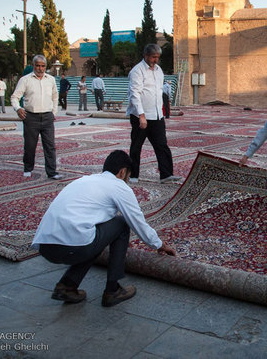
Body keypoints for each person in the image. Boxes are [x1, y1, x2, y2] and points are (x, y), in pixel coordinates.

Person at [32, 150, 177, 307]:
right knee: (121, 224)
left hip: (45, 246)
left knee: (94, 234)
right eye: (128, 176)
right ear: (122, 172)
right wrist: (160, 245)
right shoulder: (118, 186)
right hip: (73, 246)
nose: (127, 181)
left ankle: (68, 285)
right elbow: (138, 223)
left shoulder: (84, 180)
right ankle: (112, 289)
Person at [127, 44, 181, 184]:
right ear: (146, 56)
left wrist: (161, 113)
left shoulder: (159, 70)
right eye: (153, 57)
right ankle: (133, 175)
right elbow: (135, 94)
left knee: (162, 145)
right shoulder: (137, 71)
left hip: (157, 116)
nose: (156, 60)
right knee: (136, 146)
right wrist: (141, 115)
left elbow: (157, 92)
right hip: (141, 116)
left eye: (157, 57)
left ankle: (166, 174)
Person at [10, 54, 62, 180]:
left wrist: (53, 112)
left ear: (46, 67)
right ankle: (28, 168)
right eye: (38, 66)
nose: (40, 68)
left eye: (43, 66)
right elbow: (14, 97)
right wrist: (18, 108)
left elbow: (55, 97)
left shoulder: (50, 79)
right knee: (30, 145)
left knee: (50, 146)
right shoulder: (25, 80)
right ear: (33, 66)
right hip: (31, 117)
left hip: (47, 117)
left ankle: (52, 172)